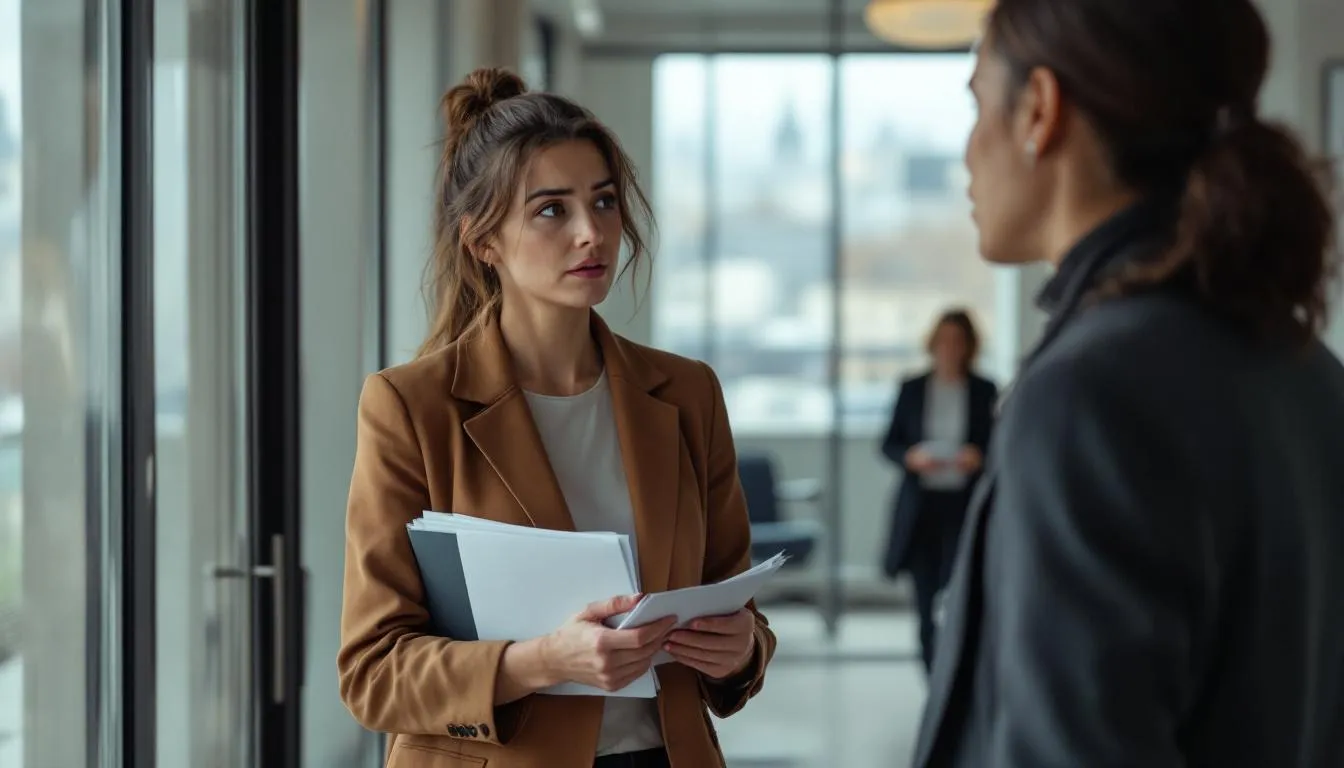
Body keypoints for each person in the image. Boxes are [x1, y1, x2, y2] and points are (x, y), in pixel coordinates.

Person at [913, 1, 1344, 766]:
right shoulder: (1306, 367)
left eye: (979, 105)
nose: (969, 151)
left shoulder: (1088, 394)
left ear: (1039, 109)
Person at [337, 68, 776, 768]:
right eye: (551, 211)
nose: (591, 233)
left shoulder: (687, 393)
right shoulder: (411, 407)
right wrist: (541, 660)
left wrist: (743, 648)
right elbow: (373, 672)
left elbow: (735, 606)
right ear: (482, 241)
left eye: (603, 202)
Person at [879, 309, 996, 673]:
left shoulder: (984, 390)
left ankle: (959, 669)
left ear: (969, 346)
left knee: (961, 592)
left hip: (964, 505)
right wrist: (912, 457)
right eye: (943, 340)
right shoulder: (912, 388)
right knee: (925, 596)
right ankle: (932, 673)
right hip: (922, 508)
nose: (949, 348)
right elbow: (889, 444)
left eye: (957, 341)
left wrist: (979, 456)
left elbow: (998, 445)